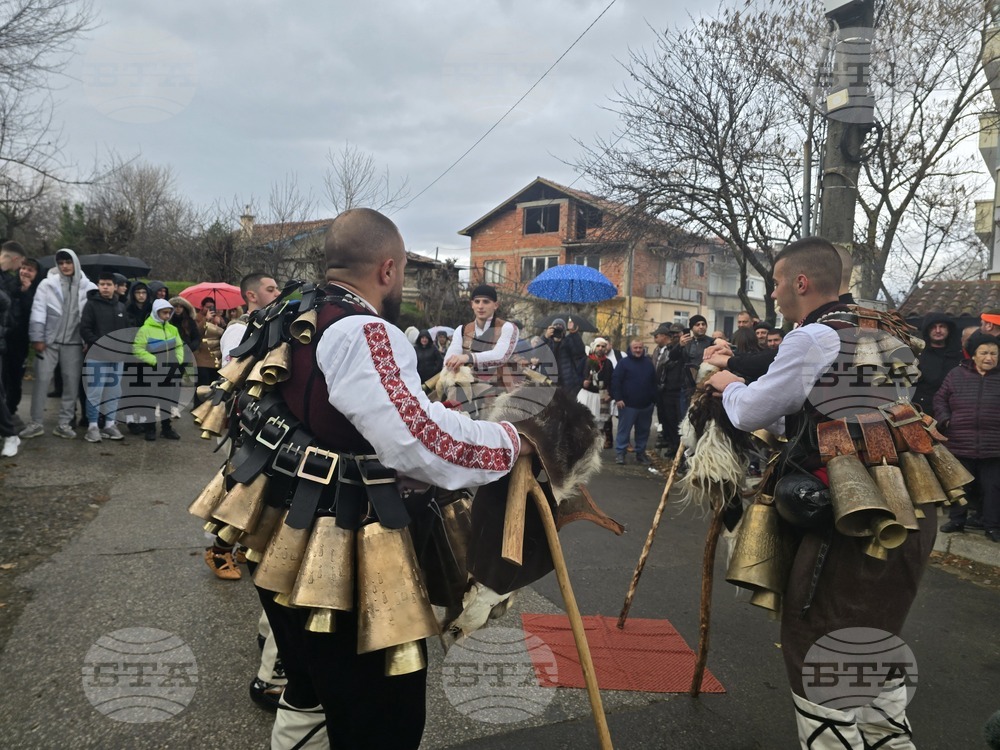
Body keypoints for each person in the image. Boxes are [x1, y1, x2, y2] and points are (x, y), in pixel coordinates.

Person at [251, 208, 527, 749]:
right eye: (399, 272)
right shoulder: (363, 329)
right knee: (383, 724)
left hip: (286, 536)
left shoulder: (288, 310)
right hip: (345, 556)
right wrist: (512, 444)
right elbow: (418, 439)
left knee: (308, 694)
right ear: (387, 270)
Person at [706, 236, 935, 748]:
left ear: (801, 283)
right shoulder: (883, 327)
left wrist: (724, 382)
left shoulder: (812, 337)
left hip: (852, 505)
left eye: (778, 283)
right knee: (876, 634)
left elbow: (751, 411)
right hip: (910, 492)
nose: (776, 294)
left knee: (817, 640)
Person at [20, 248, 97, 440]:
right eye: (61, 263)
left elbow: (92, 318)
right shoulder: (47, 284)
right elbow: (38, 312)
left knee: (71, 384)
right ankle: (36, 423)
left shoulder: (89, 288)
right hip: (49, 343)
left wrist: (88, 341)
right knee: (42, 382)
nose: (64, 266)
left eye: (68, 262)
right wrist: (37, 338)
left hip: (74, 344)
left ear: (75, 263)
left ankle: (64, 423)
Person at [934, 332, 1000, 541]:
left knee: (993, 489)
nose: (989, 358)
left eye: (994, 354)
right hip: (961, 442)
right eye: (984, 353)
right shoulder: (956, 374)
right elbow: (939, 399)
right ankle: (956, 521)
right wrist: (946, 420)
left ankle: (992, 526)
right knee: (959, 486)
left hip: (994, 446)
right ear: (973, 355)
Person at [80, 271, 129, 443]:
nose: (105, 287)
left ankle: (109, 424)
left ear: (115, 287)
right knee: (95, 392)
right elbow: (85, 329)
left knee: (113, 392)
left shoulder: (121, 306)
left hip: (117, 358)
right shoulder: (91, 305)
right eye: (102, 284)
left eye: (108, 284)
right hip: (97, 357)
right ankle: (92, 426)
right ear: (98, 286)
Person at [132, 299, 185, 441]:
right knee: (150, 399)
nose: (167, 316)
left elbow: (179, 346)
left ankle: (166, 428)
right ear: (156, 312)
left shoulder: (172, 329)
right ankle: (150, 428)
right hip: (152, 371)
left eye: (169, 313)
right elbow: (137, 349)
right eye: (164, 313)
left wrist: (178, 360)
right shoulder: (145, 329)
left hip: (169, 370)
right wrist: (155, 361)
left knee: (166, 400)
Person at [443, 284, 518, 378]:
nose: (480, 306)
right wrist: (452, 362)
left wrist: (468, 358)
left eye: (486, 302)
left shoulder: (507, 327)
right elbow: (450, 357)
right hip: (466, 382)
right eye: (477, 301)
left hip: (499, 385)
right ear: (472, 305)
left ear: (496, 305)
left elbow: (500, 356)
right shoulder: (461, 330)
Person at [611, 338, 657, 466]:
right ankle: (620, 453)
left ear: (643, 349)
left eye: (640, 348)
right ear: (630, 349)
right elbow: (616, 381)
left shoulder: (648, 363)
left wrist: (653, 400)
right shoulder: (623, 363)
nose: (638, 350)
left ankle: (640, 454)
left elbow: (654, 382)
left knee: (643, 432)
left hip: (646, 405)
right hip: (627, 405)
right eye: (635, 348)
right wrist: (618, 398)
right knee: (623, 431)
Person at [218, 274, 281, 367]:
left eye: (277, 289)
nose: (278, 293)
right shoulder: (238, 329)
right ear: (252, 296)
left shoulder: (275, 326)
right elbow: (230, 372)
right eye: (270, 290)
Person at [3, 257, 39, 419]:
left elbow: (33, 314)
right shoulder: (8, 284)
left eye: (30, 270)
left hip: (20, 341)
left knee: (15, 378)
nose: (25, 272)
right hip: (4, 337)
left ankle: (11, 410)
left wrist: (26, 293)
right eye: (23, 268)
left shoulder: (38, 290)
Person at [912, 312, 962, 419]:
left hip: (953, 414)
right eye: (933, 327)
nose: (938, 330)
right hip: (923, 413)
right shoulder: (917, 356)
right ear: (927, 330)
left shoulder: (959, 356)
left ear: (949, 329)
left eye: (942, 326)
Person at [578, 336, 615, 448]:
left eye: (603, 346)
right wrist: (582, 382)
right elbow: (576, 375)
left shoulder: (608, 363)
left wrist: (611, 393)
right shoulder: (586, 360)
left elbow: (612, 380)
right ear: (594, 347)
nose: (600, 348)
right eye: (598, 346)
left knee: (600, 422)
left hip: (601, 394)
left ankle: (595, 444)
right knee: (584, 419)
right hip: (587, 394)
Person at [541, 317, 585, 397]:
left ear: (564, 331)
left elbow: (580, 352)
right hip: (549, 381)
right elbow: (537, 354)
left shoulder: (568, 341)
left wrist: (574, 333)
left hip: (567, 381)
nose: (558, 327)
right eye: (555, 326)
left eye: (560, 326)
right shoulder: (547, 342)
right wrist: (545, 337)